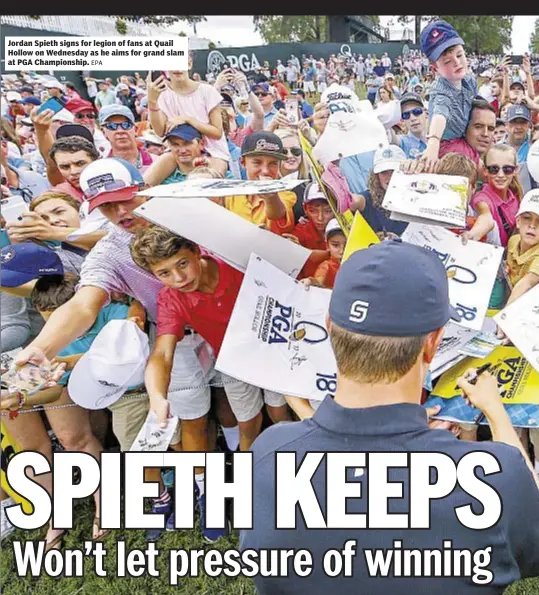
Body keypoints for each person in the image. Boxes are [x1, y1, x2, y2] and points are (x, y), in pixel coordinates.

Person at [240, 239, 539, 595]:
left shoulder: (267, 456)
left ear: (329, 327)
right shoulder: (493, 476)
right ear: (433, 342)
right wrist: (495, 412)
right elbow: (530, 543)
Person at [13, 158, 221, 542]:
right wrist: (42, 348)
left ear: (143, 186)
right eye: (107, 206)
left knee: (243, 406)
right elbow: (82, 304)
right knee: (191, 421)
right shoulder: (108, 252)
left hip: (231, 326)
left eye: (126, 199)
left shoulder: (191, 216)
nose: (121, 212)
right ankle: (208, 492)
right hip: (178, 341)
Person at [130, 225, 264, 459]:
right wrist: (157, 397)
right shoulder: (170, 300)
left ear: (196, 250)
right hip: (235, 360)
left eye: (182, 264)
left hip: (279, 345)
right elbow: (162, 354)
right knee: (248, 421)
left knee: (282, 408)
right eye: (164, 273)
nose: (179, 279)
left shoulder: (237, 261)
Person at [147, 55, 231, 176]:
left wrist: (187, 119)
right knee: (144, 185)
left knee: (206, 182)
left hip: (213, 152)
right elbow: (161, 132)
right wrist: (152, 102)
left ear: (189, 63)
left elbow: (217, 133)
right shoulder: (164, 95)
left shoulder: (207, 91)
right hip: (177, 152)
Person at [419, 20, 478, 170]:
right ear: (435, 69)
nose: (457, 62)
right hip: (447, 147)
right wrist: (433, 142)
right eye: (447, 61)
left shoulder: (469, 81)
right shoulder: (441, 90)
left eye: (459, 55)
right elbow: (440, 113)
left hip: (468, 138)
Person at [471, 144, 522, 248]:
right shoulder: (482, 199)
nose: (500, 175)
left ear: (515, 170)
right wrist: (471, 236)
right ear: (485, 171)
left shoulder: (517, 195)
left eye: (507, 169)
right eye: (494, 169)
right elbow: (485, 216)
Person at [355, 145, 408, 238]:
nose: (389, 176)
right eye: (383, 172)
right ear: (376, 176)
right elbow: (354, 201)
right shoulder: (368, 199)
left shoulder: (415, 198)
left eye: (394, 171)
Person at [504, 189, 539, 307]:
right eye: (527, 218)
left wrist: (503, 318)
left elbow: (525, 284)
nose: (532, 225)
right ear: (518, 221)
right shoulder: (513, 241)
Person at [99, 105, 155, 173]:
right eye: (111, 126)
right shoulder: (102, 171)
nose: (120, 131)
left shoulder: (157, 162)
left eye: (126, 125)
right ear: (103, 132)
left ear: (136, 130)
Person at [313, 219, 346, 289]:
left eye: (347, 244)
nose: (342, 250)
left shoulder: (359, 263)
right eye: (336, 245)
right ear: (327, 246)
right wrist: (311, 281)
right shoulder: (326, 266)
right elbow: (318, 281)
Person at [395, 92, 427, 159]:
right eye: (406, 115)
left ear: (426, 113)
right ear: (402, 120)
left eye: (417, 111)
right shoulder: (402, 141)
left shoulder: (439, 139)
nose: (412, 118)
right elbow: (392, 139)